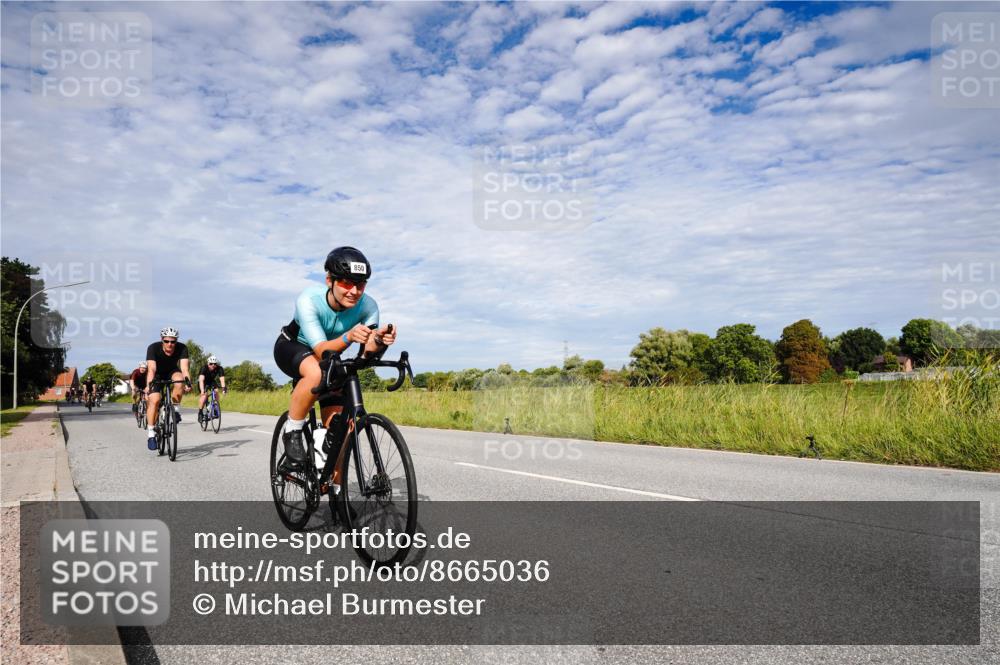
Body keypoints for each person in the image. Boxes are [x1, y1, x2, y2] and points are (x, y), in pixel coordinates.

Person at [272, 247, 396, 469]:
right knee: (316, 371)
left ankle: (337, 493)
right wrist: (349, 336)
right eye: (347, 283)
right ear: (329, 280)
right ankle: (293, 431)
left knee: (340, 434)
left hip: (331, 356)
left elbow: (366, 351)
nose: (354, 291)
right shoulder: (309, 299)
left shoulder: (369, 306)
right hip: (292, 347)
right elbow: (320, 350)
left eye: (361, 284)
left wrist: (378, 341)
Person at [144, 326, 192, 450]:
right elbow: (151, 369)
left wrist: (188, 382)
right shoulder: (153, 348)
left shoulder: (182, 348)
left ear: (176, 341)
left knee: (179, 380)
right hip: (157, 374)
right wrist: (149, 386)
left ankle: (175, 410)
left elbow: (185, 369)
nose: (170, 344)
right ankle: (151, 434)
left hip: (172, 371)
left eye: (173, 341)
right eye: (167, 341)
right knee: (154, 399)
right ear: (162, 340)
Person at [197, 355, 227, 422]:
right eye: (211, 364)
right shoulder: (204, 368)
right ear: (208, 363)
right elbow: (201, 380)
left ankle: (215, 407)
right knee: (204, 396)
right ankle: (200, 413)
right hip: (203, 382)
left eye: (215, 364)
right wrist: (202, 391)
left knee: (216, 391)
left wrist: (224, 389)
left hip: (211, 381)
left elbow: (222, 380)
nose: (213, 365)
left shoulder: (219, 368)